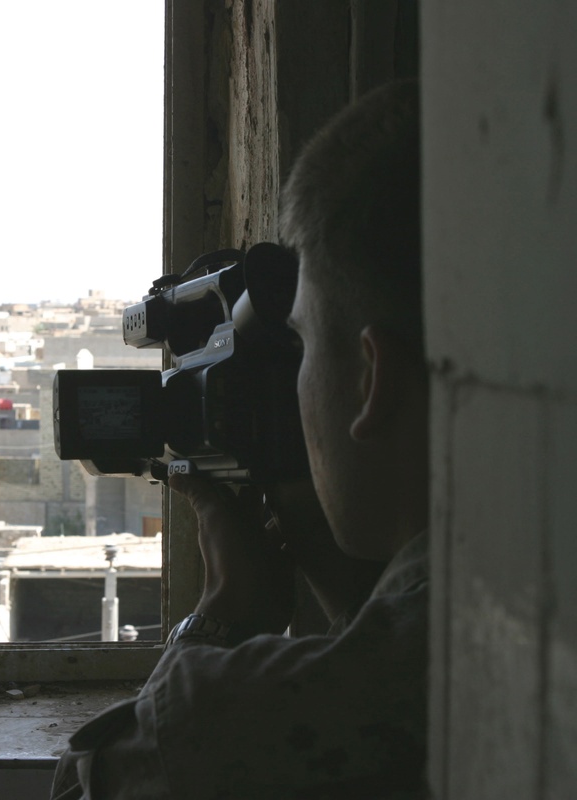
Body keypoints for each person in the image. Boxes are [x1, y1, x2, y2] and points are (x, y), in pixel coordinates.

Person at [51, 80, 428, 798]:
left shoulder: (226, 717)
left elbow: (86, 788)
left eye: (304, 344)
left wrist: (227, 615)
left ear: (370, 379)